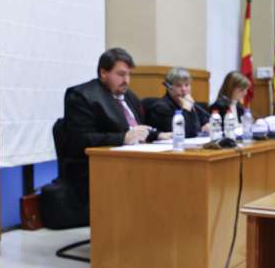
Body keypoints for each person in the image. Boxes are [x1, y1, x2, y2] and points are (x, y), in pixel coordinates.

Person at [61, 47, 158, 204]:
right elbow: (79, 140)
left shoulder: (128, 96)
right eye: (120, 74)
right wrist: (123, 138)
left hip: (132, 162)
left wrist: (158, 135)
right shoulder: (82, 96)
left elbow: (135, 129)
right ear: (103, 73)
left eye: (129, 74)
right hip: (96, 171)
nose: (126, 80)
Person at [144, 67, 211, 137]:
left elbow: (206, 122)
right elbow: (183, 133)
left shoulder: (192, 104)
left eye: (187, 85)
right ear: (169, 87)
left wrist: (207, 126)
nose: (184, 89)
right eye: (179, 85)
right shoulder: (160, 108)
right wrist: (186, 109)